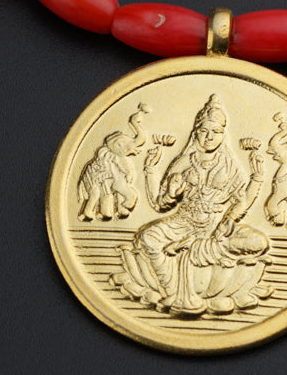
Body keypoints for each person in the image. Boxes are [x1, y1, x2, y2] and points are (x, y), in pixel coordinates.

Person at [116, 94, 273, 317]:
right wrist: (154, 174)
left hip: (216, 227)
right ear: (195, 132)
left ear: (223, 134)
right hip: (182, 222)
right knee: (148, 237)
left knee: (259, 242)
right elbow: (159, 204)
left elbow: (242, 202)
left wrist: (255, 180)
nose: (209, 137)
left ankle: (192, 247)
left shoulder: (230, 165)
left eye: (216, 131)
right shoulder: (183, 162)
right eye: (204, 131)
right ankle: (171, 290)